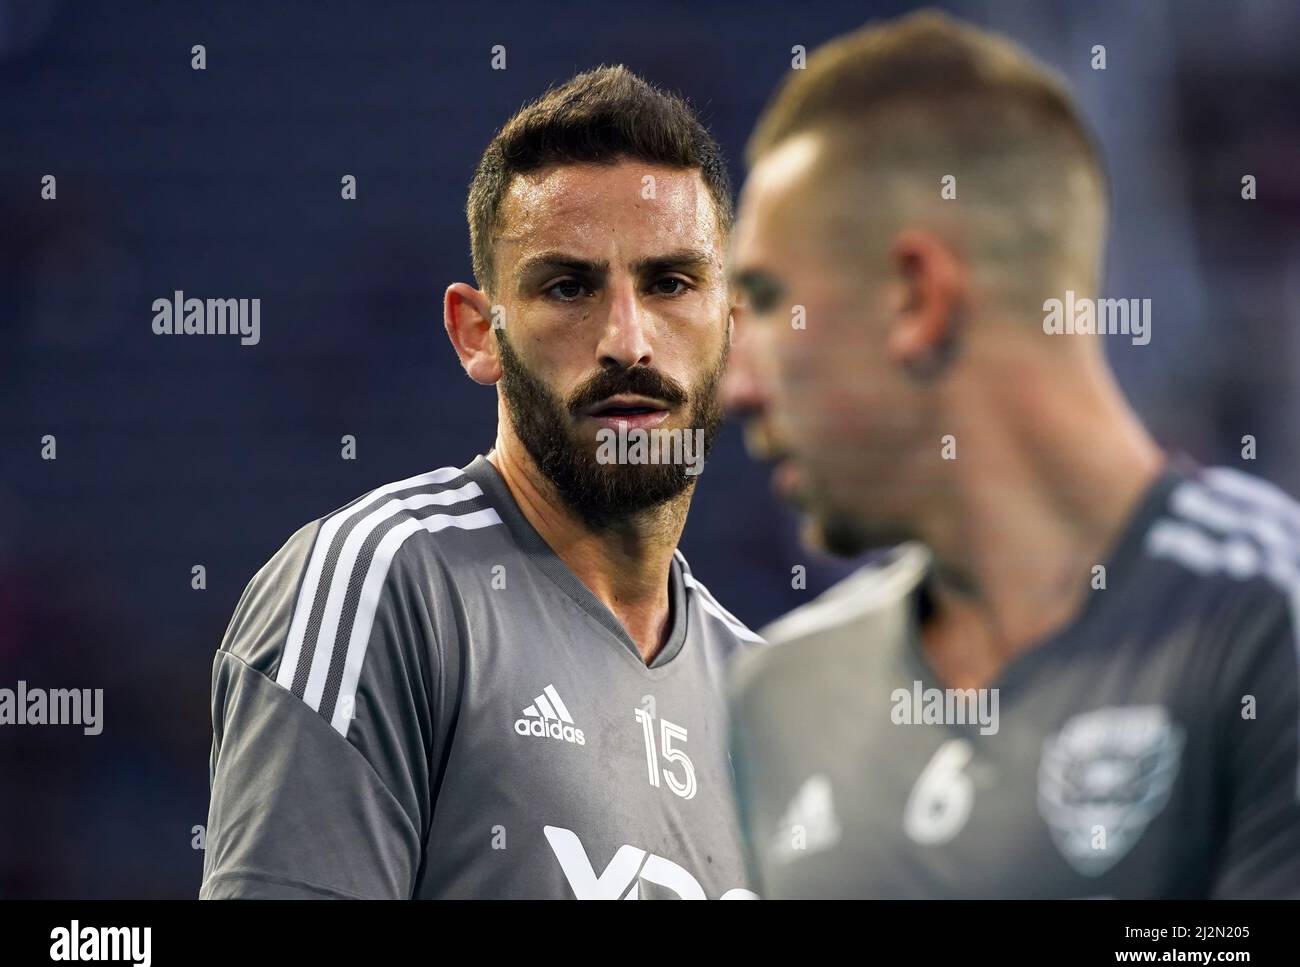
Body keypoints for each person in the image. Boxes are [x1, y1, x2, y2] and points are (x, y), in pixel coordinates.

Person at [723, 11, 1300, 897]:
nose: (735, 388)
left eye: (764, 301)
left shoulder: (1269, 625)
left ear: (918, 298)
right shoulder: (773, 697)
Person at [201, 65, 760, 899]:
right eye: (568, 287)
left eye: (670, 283)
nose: (627, 341)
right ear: (477, 333)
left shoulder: (767, 701)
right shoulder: (378, 583)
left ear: (734, 330)